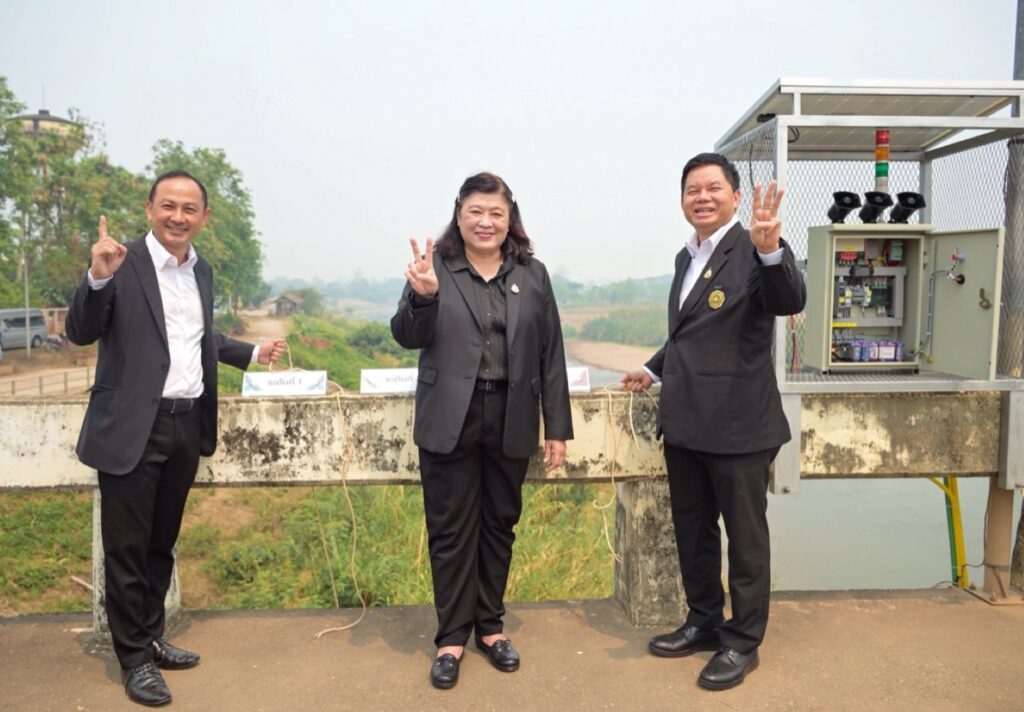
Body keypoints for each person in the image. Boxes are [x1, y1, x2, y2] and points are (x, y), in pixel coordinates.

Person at [66, 170, 286, 707]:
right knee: (126, 549)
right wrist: (96, 278)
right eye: (168, 206)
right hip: (131, 427)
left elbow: (194, 336)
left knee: (160, 544)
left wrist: (250, 353)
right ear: (150, 209)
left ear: (204, 217)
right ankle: (134, 660)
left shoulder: (200, 269)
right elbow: (80, 331)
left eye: (189, 209)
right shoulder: (120, 261)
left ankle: (150, 636)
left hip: (185, 425)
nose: (178, 217)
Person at [622, 152, 806, 691]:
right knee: (694, 531)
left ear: (736, 196)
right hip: (686, 425)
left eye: (713, 188)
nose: (701, 197)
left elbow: (787, 299)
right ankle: (703, 620)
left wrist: (771, 251)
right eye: (692, 190)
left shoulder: (755, 247)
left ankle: (743, 642)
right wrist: (652, 369)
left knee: (745, 540)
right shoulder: (687, 256)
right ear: (682, 199)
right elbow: (688, 333)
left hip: (738, 426)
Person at [391, 172, 573, 690]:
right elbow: (406, 335)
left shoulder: (532, 274)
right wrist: (423, 298)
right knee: (450, 530)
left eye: (496, 213)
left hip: (512, 414)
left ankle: (490, 628)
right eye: (475, 211)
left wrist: (557, 427)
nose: (486, 222)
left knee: (499, 524)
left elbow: (551, 353)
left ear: (511, 218)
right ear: (459, 215)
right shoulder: (435, 267)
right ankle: (450, 638)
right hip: (451, 415)